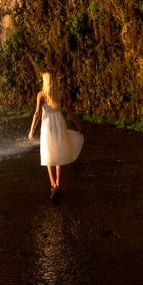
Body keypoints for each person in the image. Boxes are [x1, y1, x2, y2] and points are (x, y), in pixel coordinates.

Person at [28, 71, 84, 199]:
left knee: (48, 154)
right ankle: (58, 183)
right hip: (59, 125)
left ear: (45, 81)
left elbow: (37, 114)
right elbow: (69, 111)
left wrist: (32, 130)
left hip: (47, 126)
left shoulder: (41, 95)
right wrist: (78, 125)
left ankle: (53, 185)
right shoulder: (61, 94)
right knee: (60, 152)